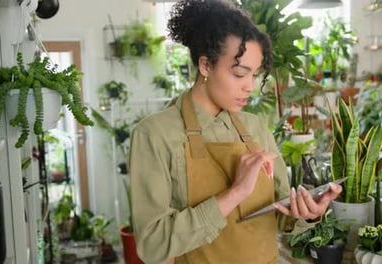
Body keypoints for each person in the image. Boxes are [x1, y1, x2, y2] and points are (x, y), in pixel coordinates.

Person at [128, 0, 342, 263]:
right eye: (240, 74)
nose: (249, 87)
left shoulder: (255, 127)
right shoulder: (155, 134)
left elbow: (280, 215)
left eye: (254, 75)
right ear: (205, 65)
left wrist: (307, 212)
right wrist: (235, 193)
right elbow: (153, 245)